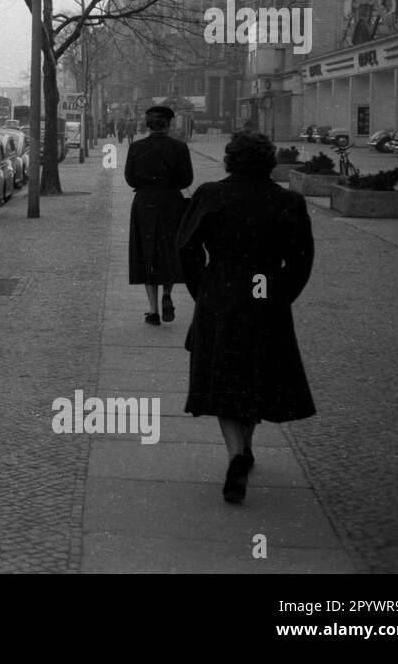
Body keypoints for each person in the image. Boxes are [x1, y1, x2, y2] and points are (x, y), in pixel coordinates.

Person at [177, 131, 316, 504]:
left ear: (229, 160)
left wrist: (201, 288)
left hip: (222, 290)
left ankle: (236, 454)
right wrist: (282, 293)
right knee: (256, 372)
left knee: (223, 375)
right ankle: (247, 447)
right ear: (269, 163)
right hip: (264, 290)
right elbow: (302, 259)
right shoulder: (288, 201)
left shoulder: (211, 194)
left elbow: (186, 247)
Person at [124, 106, 192, 326]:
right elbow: (187, 180)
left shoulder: (136, 148)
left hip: (145, 202)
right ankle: (167, 294)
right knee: (169, 249)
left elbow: (130, 179)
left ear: (148, 125)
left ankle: (153, 311)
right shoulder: (179, 148)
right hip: (172, 202)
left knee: (146, 251)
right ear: (169, 124)